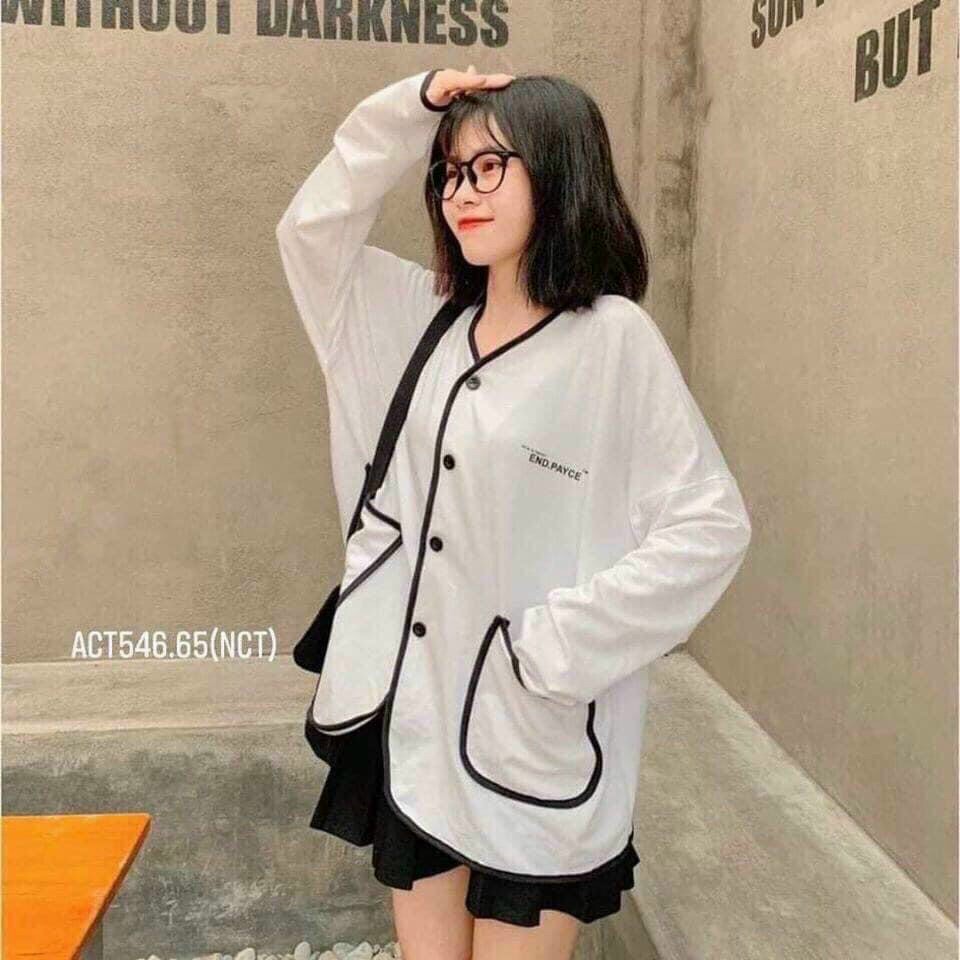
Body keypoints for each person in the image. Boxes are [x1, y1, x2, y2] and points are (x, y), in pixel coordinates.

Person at [275, 65, 752, 959]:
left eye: (490, 167)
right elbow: (311, 232)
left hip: (530, 731)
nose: (462, 193)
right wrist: (411, 106)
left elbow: (709, 527)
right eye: (451, 172)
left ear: (560, 169)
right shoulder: (418, 317)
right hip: (411, 719)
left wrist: (556, 648)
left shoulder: (613, 341)